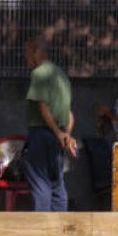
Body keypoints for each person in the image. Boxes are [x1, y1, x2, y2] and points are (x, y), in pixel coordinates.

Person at [23, 37, 75, 212]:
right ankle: (60, 228)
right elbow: (69, 113)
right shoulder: (62, 75)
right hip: (57, 138)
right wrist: (65, 135)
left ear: (36, 52)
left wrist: (58, 133)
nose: (26, 58)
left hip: (42, 135)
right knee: (57, 185)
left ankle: (43, 231)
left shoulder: (39, 73)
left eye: (27, 53)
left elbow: (42, 105)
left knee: (40, 184)